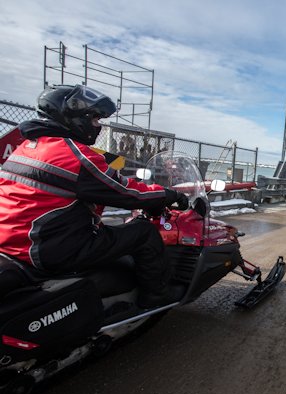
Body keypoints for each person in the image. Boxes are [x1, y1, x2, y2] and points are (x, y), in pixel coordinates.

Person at [0, 84, 189, 308]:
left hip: (13, 242)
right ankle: (156, 296)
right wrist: (167, 194)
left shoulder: (26, 148)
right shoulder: (72, 155)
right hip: (51, 249)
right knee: (144, 232)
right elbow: (126, 192)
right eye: (94, 119)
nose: (97, 126)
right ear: (73, 117)